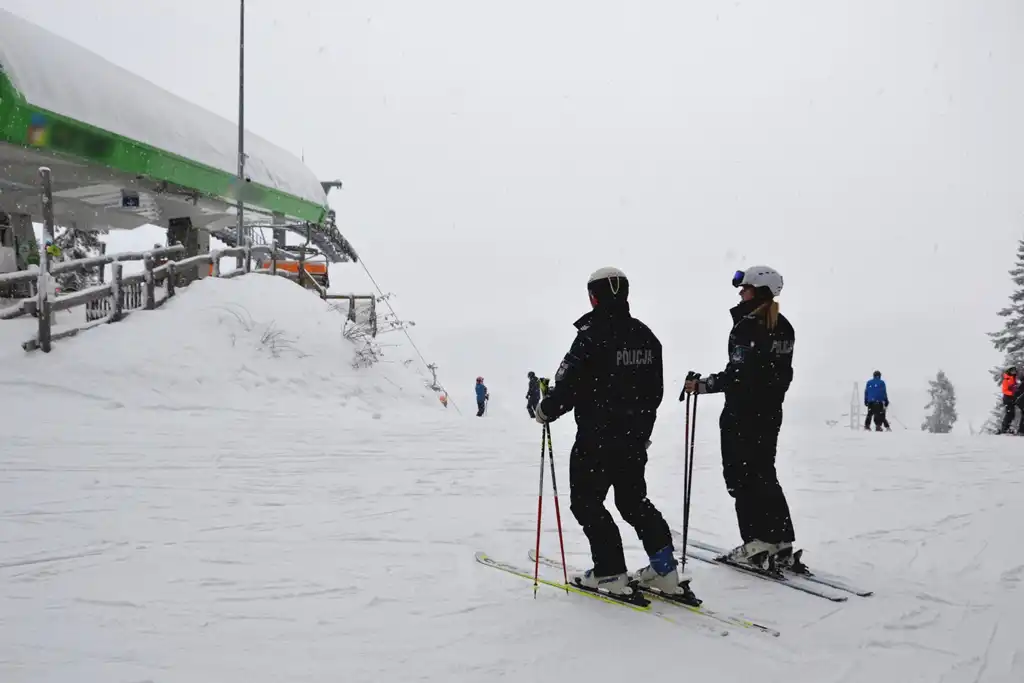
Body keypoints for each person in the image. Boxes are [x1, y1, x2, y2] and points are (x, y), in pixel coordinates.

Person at [535, 267, 687, 598]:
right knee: (633, 502)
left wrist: (546, 409)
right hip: (633, 439)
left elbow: (568, 385)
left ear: (593, 297)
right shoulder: (645, 336)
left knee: (587, 502)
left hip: (597, 439)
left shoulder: (591, 336)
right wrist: (639, 427)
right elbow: (655, 392)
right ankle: (665, 570)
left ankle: (610, 572)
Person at [683, 265, 797, 571]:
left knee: (742, 477)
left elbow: (739, 374)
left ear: (757, 291)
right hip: (770, 412)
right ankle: (780, 538)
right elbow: (777, 374)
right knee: (764, 472)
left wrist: (703, 385)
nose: (740, 293)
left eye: (744, 288)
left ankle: (757, 541)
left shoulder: (748, 326)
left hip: (744, 414)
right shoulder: (783, 325)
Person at [997, 366, 1018, 434]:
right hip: (1008, 398)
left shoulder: (1013, 379)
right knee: (1009, 414)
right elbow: (1004, 390)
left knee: (1012, 414)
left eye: (1015, 370)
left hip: (1012, 398)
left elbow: (1015, 387)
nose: (1014, 372)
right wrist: (1013, 393)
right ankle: (1004, 429)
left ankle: (1007, 428)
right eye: (1012, 370)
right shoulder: (1006, 379)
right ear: (1009, 371)